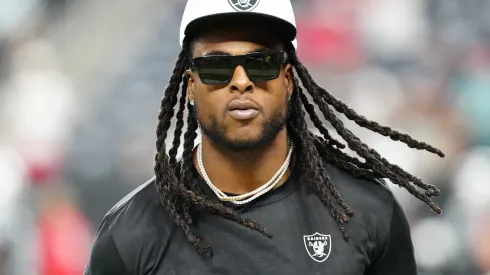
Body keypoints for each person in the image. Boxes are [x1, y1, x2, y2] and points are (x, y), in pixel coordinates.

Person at [85, 0, 444, 274]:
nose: (241, 81)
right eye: (217, 66)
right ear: (191, 86)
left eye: (260, 63)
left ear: (287, 81)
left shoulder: (368, 213)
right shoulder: (130, 233)